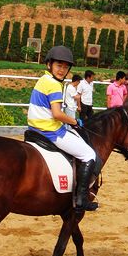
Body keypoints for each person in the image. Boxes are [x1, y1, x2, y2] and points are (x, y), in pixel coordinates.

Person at [28, 46, 99, 212]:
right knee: (89, 154)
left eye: (66, 67)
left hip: (34, 129)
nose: (62, 70)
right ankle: (81, 199)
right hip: (50, 131)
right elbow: (57, 114)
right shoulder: (53, 85)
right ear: (49, 65)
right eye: (59, 65)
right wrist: (74, 121)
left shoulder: (43, 80)